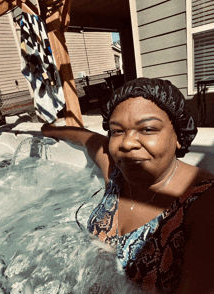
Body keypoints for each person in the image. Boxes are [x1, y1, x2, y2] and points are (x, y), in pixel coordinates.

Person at [41, 77, 214, 294]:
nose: (127, 143)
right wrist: (49, 130)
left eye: (148, 129)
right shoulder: (116, 171)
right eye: (117, 131)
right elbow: (87, 138)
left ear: (179, 135)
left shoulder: (204, 203)